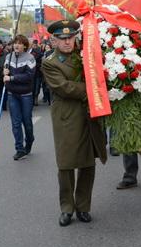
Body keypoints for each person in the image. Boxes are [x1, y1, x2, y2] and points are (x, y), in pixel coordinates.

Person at [41, 20, 107, 226]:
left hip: (90, 114)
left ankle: (83, 206)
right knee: (66, 164)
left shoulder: (86, 55)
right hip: (67, 116)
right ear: (54, 40)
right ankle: (67, 207)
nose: (67, 42)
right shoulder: (50, 62)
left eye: (70, 37)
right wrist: (93, 87)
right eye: (62, 38)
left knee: (88, 162)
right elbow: (64, 87)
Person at [4, 35, 36, 160]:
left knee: (27, 122)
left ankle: (29, 139)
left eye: (19, 43)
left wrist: (12, 78)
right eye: (15, 43)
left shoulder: (30, 58)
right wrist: (4, 72)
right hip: (12, 94)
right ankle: (20, 149)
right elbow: (5, 71)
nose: (16, 45)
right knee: (16, 123)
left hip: (26, 95)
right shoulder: (8, 56)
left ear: (24, 45)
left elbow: (29, 76)